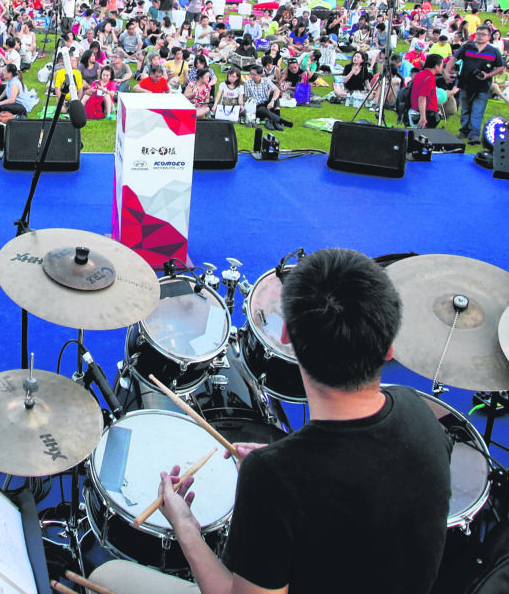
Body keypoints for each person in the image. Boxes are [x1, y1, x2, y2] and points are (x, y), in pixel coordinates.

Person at [93, 247, 450, 594]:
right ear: (389, 349)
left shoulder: (275, 477)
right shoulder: (420, 414)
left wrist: (185, 526)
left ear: (286, 337)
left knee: (109, 576)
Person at [455, 27, 506, 143]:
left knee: (477, 111)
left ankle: (474, 134)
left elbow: (500, 67)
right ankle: (464, 131)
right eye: (478, 34)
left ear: (489, 37)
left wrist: (488, 75)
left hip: (482, 86)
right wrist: (447, 71)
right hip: (466, 83)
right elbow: (454, 58)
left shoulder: (494, 51)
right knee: (465, 109)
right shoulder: (467, 47)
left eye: (483, 34)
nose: (480, 36)